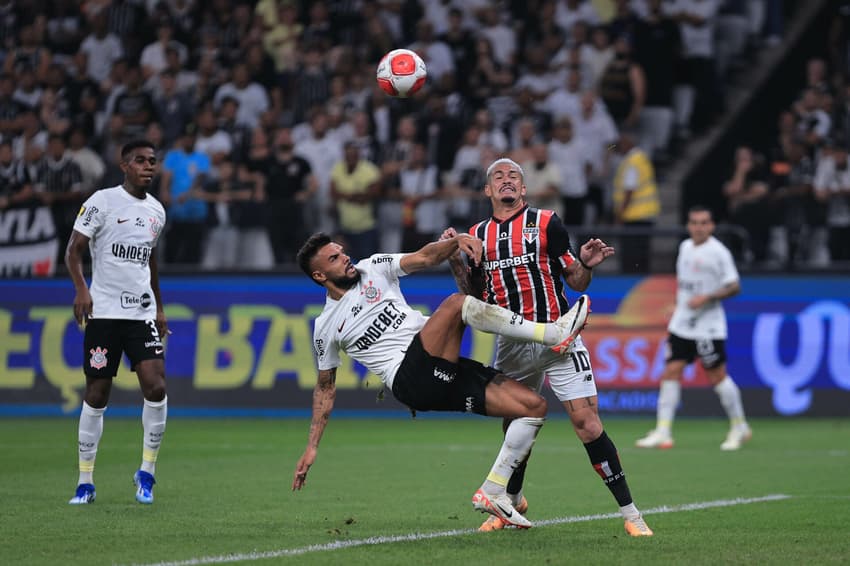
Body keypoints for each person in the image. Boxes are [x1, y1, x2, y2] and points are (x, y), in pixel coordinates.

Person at [291, 231, 591, 528]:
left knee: (532, 406)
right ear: (320, 275)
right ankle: (552, 334)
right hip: (410, 379)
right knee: (456, 305)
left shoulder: (374, 267)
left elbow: (425, 256)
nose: (344, 257)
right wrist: (312, 446)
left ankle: (493, 490)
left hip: (439, 371)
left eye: (341, 251)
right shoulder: (326, 326)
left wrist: (453, 242)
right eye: (334, 258)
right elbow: (325, 387)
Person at [444, 158, 653, 536]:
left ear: (523, 189)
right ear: (488, 190)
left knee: (587, 424)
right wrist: (456, 262)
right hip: (512, 343)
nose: (506, 181)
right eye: (498, 177)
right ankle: (510, 502)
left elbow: (576, 281)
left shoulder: (546, 222)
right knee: (514, 427)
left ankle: (632, 514)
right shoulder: (477, 234)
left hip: (559, 334)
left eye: (513, 177)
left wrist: (586, 265)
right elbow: (475, 297)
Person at [65, 140, 168, 505]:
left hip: (140, 313)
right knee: (96, 395)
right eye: (140, 160)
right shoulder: (101, 202)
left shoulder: (157, 211)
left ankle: (147, 473)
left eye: (152, 161)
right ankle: (85, 481)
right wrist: (82, 289)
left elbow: (149, 260)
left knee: (156, 388)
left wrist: (158, 306)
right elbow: (74, 249)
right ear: (124, 165)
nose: (148, 166)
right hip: (105, 314)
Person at [636, 205, 752, 451]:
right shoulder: (685, 247)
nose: (699, 227)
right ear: (689, 225)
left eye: (704, 223)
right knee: (671, 371)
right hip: (682, 323)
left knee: (716, 375)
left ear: (711, 226)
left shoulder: (718, 252)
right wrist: (678, 305)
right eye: (694, 223)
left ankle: (740, 426)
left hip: (708, 326)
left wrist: (706, 298)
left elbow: (734, 286)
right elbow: (685, 284)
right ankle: (663, 431)